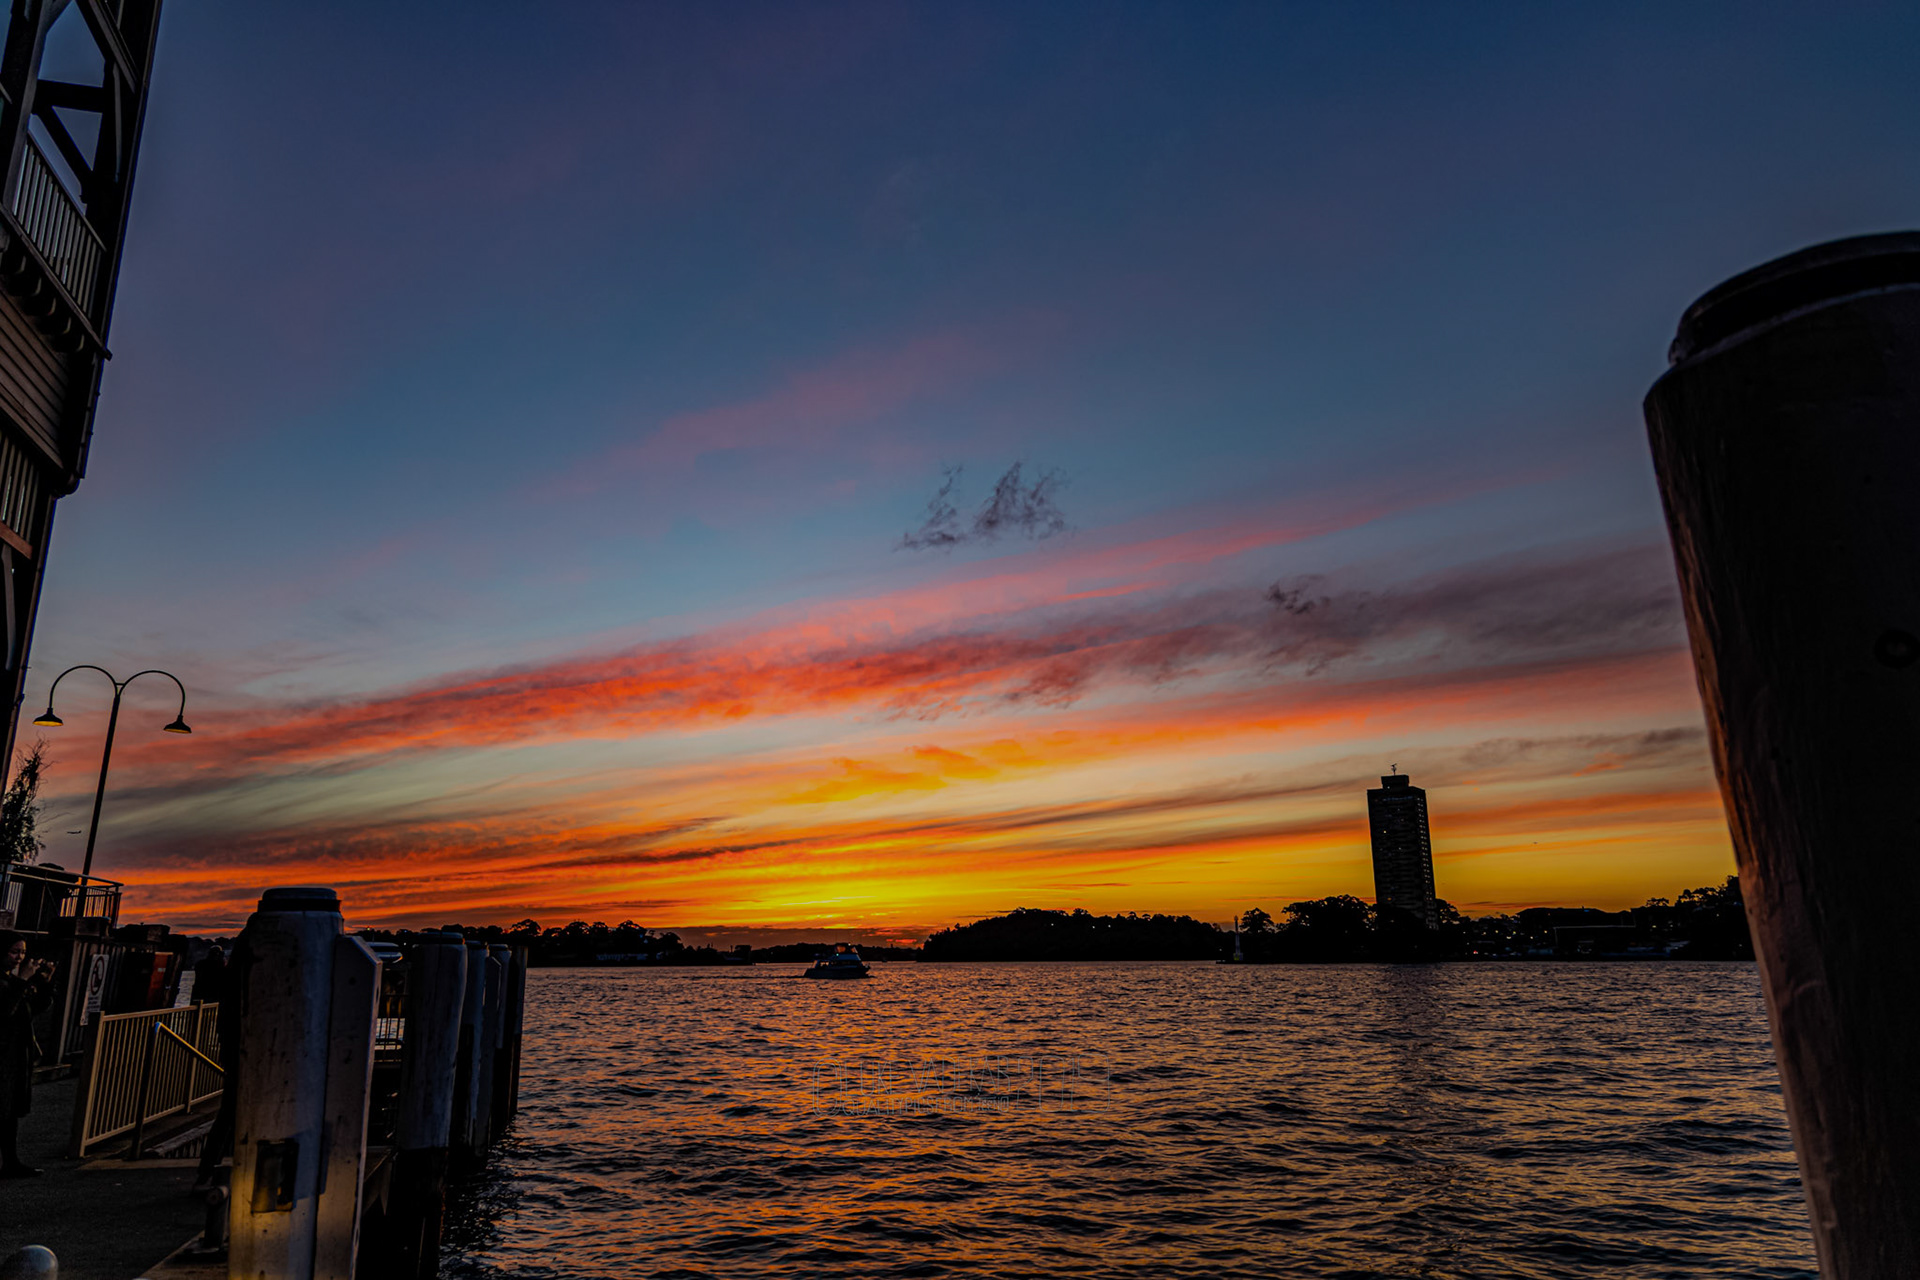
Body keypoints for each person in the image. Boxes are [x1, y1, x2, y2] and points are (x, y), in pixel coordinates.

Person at [0, 930, 55, 1177]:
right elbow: (5, 1012)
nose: (19, 957)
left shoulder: (12, 980)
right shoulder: (8, 982)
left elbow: (32, 1010)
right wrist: (23, 980)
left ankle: (11, 1161)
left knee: (9, 1112)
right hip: (3, 1055)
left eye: (22, 952)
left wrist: (44, 983)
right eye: (13, 951)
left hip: (13, 1056)